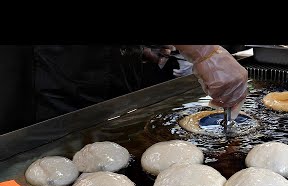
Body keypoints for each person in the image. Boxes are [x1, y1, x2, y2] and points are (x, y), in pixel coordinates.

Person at [0, 45, 248, 135]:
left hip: (107, 67)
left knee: (116, 135)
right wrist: (203, 51)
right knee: (51, 151)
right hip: (50, 68)